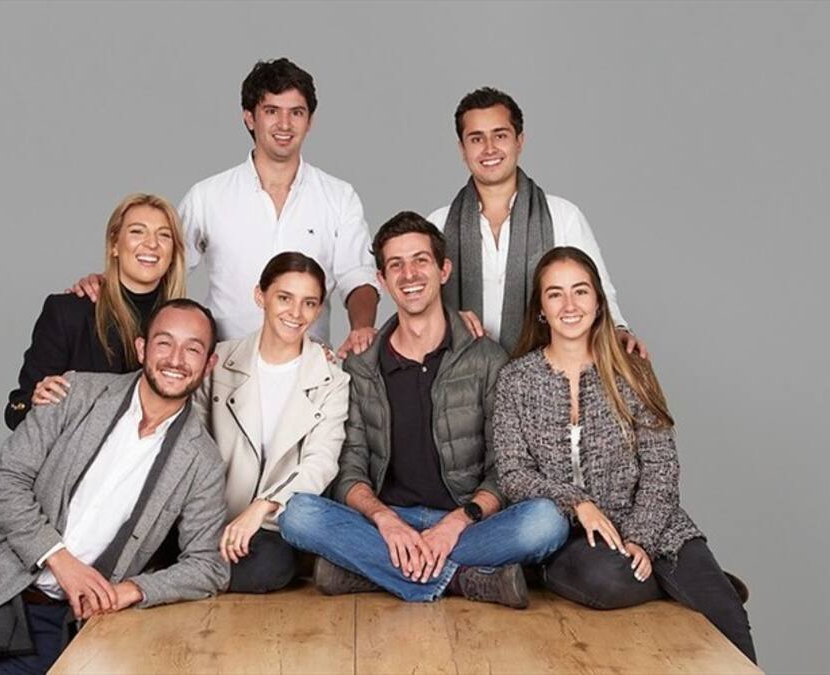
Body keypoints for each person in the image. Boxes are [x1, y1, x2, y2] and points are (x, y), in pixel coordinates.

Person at [0, 299, 229, 673]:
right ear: (142, 348)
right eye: (164, 342)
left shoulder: (203, 460)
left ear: (209, 363)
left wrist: (133, 590)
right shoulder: (74, 391)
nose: (175, 359)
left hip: (55, 619)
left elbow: (208, 565)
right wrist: (59, 559)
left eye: (192, 349)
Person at [279, 212, 568, 609]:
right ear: (382, 280)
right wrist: (386, 521)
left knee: (547, 521)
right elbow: (351, 468)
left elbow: (504, 468)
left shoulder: (486, 358)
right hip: (387, 520)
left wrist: (455, 523)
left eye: (420, 260)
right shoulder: (362, 365)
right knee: (298, 514)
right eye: (396, 265)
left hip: (465, 520)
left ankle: (369, 569)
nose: (409, 274)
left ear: (443, 270)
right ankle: (461, 578)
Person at [493, 246, 755, 662]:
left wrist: (640, 539)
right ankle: (676, 586)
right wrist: (576, 503)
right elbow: (513, 472)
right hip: (572, 535)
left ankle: (701, 584)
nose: (569, 305)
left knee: (728, 614)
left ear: (598, 302)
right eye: (555, 294)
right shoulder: (516, 380)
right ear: (541, 309)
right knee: (608, 580)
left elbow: (661, 466)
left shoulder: (631, 372)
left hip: (654, 523)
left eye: (580, 291)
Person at [72, 58, 379, 358]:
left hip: (308, 367)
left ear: (310, 121)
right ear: (249, 118)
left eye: (296, 112)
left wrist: (361, 328)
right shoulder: (208, 196)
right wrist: (108, 283)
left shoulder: (339, 197)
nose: (285, 124)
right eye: (271, 111)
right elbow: (162, 262)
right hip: (223, 369)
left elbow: (358, 277)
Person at [427, 87, 646, 357]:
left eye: (500, 135)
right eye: (476, 139)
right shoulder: (437, 225)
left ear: (519, 141)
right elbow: (421, 306)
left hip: (544, 373)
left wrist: (620, 328)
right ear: (462, 149)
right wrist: (447, 319)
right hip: (461, 374)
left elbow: (597, 288)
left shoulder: (562, 216)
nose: (489, 148)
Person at [204, 252, 350, 593]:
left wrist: (263, 506)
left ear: (318, 310)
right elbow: (193, 441)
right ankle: (191, 567)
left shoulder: (332, 379)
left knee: (269, 569)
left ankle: (190, 572)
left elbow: (321, 462)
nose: (296, 313)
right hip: (210, 514)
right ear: (261, 296)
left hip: (271, 524)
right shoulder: (219, 361)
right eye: (285, 298)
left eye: (309, 303)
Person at [6, 193, 187, 429]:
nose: (151, 244)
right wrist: (37, 399)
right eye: (137, 231)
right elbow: (15, 412)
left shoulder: (190, 328)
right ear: (114, 244)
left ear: (173, 252)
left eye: (164, 235)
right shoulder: (68, 313)